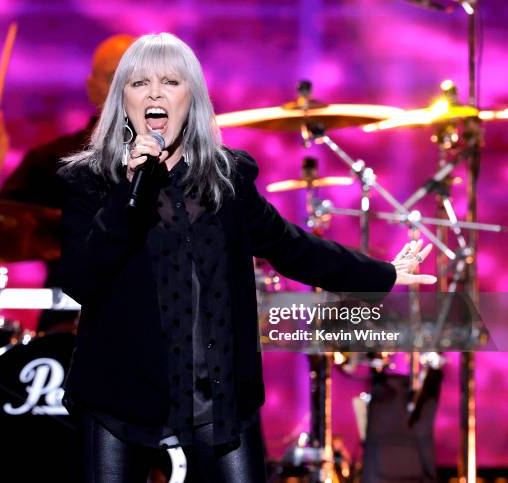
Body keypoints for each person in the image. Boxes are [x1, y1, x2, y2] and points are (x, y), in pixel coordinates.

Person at [57, 33, 436, 483]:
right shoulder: (90, 181)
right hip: (119, 393)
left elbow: (291, 247)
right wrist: (129, 192)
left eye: (170, 82)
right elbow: (82, 278)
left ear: (191, 98)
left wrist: (383, 273)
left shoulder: (226, 179)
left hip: (216, 395)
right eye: (140, 83)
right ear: (123, 100)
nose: (155, 93)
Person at [0, 34, 135, 332]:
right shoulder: (54, 161)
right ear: (92, 89)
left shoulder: (184, 162)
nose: (131, 87)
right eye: (115, 77)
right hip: (71, 328)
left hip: (167, 330)